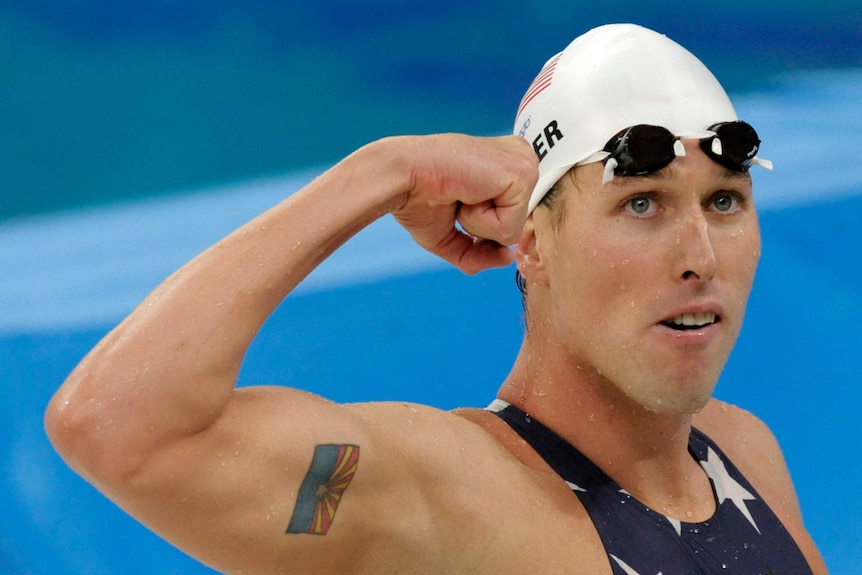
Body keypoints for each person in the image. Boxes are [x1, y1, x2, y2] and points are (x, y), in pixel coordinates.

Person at [45, 23, 827, 575]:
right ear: (532, 243)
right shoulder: (448, 501)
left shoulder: (741, 454)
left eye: (724, 202)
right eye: (642, 204)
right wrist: (383, 170)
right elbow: (114, 424)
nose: (699, 258)